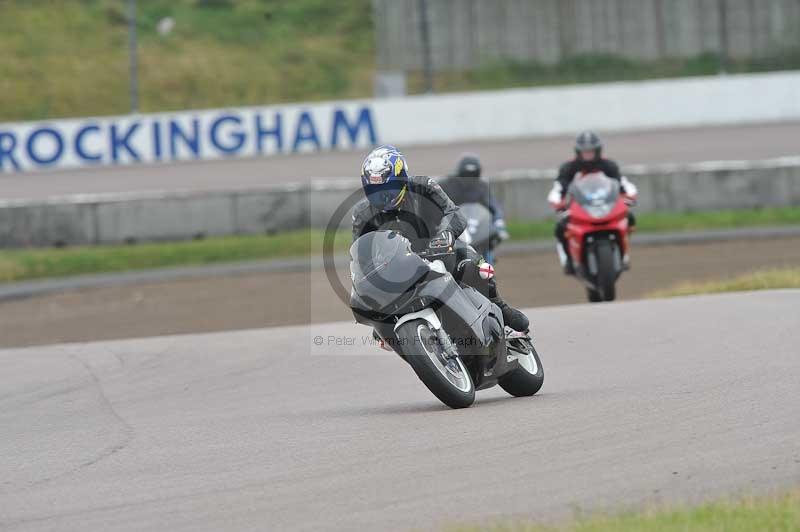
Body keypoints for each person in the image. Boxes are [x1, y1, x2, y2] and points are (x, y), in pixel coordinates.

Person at [352, 145, 529, 332]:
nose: (383, 197)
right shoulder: (362, 214)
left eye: (389, 189)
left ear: (403, 180)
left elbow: (454, 213)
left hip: (439, 249)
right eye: (375, 191)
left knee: (474, 266)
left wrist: (445, 234)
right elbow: (360, 257)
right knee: (379, 326)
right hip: (398, 268)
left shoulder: (424, 187)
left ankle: (499, 305)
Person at [547, 131, 638, 274]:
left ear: (598, 150)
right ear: (578, 152)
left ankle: (624, 254)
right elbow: (558, 189)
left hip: (607, 205)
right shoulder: (569, 168)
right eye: (585, 152)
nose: (588, 155)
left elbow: (624, 184)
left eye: (591, 151)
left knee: (630, 218)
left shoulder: (609, 165)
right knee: (560, 228)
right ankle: (567, 260)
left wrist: (629, 198)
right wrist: (558, 205)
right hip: (579, 208)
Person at [439, 153, 509, 263]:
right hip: (456, 229)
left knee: (489, 244)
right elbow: (437, 204)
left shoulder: (482, 187)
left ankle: (488, 267)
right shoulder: (447, 185)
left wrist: (498, 221)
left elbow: (493, 206)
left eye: (472, 175)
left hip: (479, 229)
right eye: (467, 175)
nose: (469, 180)